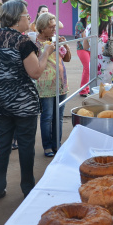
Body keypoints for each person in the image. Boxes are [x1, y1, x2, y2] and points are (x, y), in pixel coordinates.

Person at [0, 0, 54, 202]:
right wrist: (46, 53)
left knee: (2, 144)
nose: (29, 18)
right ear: (16, 18)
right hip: (23, 103)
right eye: (26, 14)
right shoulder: (23, 42)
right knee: (25, 146)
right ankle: (27, 188)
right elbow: (35, 72)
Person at [35, 12, 71, 157]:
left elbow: (67, 59)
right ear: (42, 28)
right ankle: (47, 146)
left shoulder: (56, 40)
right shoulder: (35, 43)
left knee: (59, 116)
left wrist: (65, 45)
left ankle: (57, 144)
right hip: (45, 86)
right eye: (51, 27)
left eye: (55, 26)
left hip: (61, 83)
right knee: (47, 116)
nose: (54, 30)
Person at [87, 16, 113, 84]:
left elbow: (85, 46)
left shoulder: (89, 27)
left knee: (95, 89)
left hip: (94, 63)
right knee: (109, 90)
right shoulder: (112, 26)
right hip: (109, 63)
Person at [74, 16, 90, 96]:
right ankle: (83, 90)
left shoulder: (92, 22)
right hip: (82, 49)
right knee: (87, 68)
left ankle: (87, 88)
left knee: (89, 68)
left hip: (91, 48)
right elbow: (78, 38)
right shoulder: (79, 24)